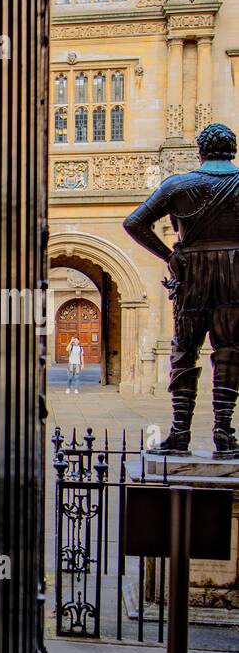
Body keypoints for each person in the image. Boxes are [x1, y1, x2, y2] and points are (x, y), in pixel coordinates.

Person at [123, 122, 239, 457]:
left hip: (192, 273)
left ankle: (179, 434)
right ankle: (224, 433)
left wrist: (169, 255)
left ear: (201, 151)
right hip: (234, 273)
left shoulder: (179, 184)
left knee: (184, 350)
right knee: (230, 351)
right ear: (232, 149)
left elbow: (133, 222)